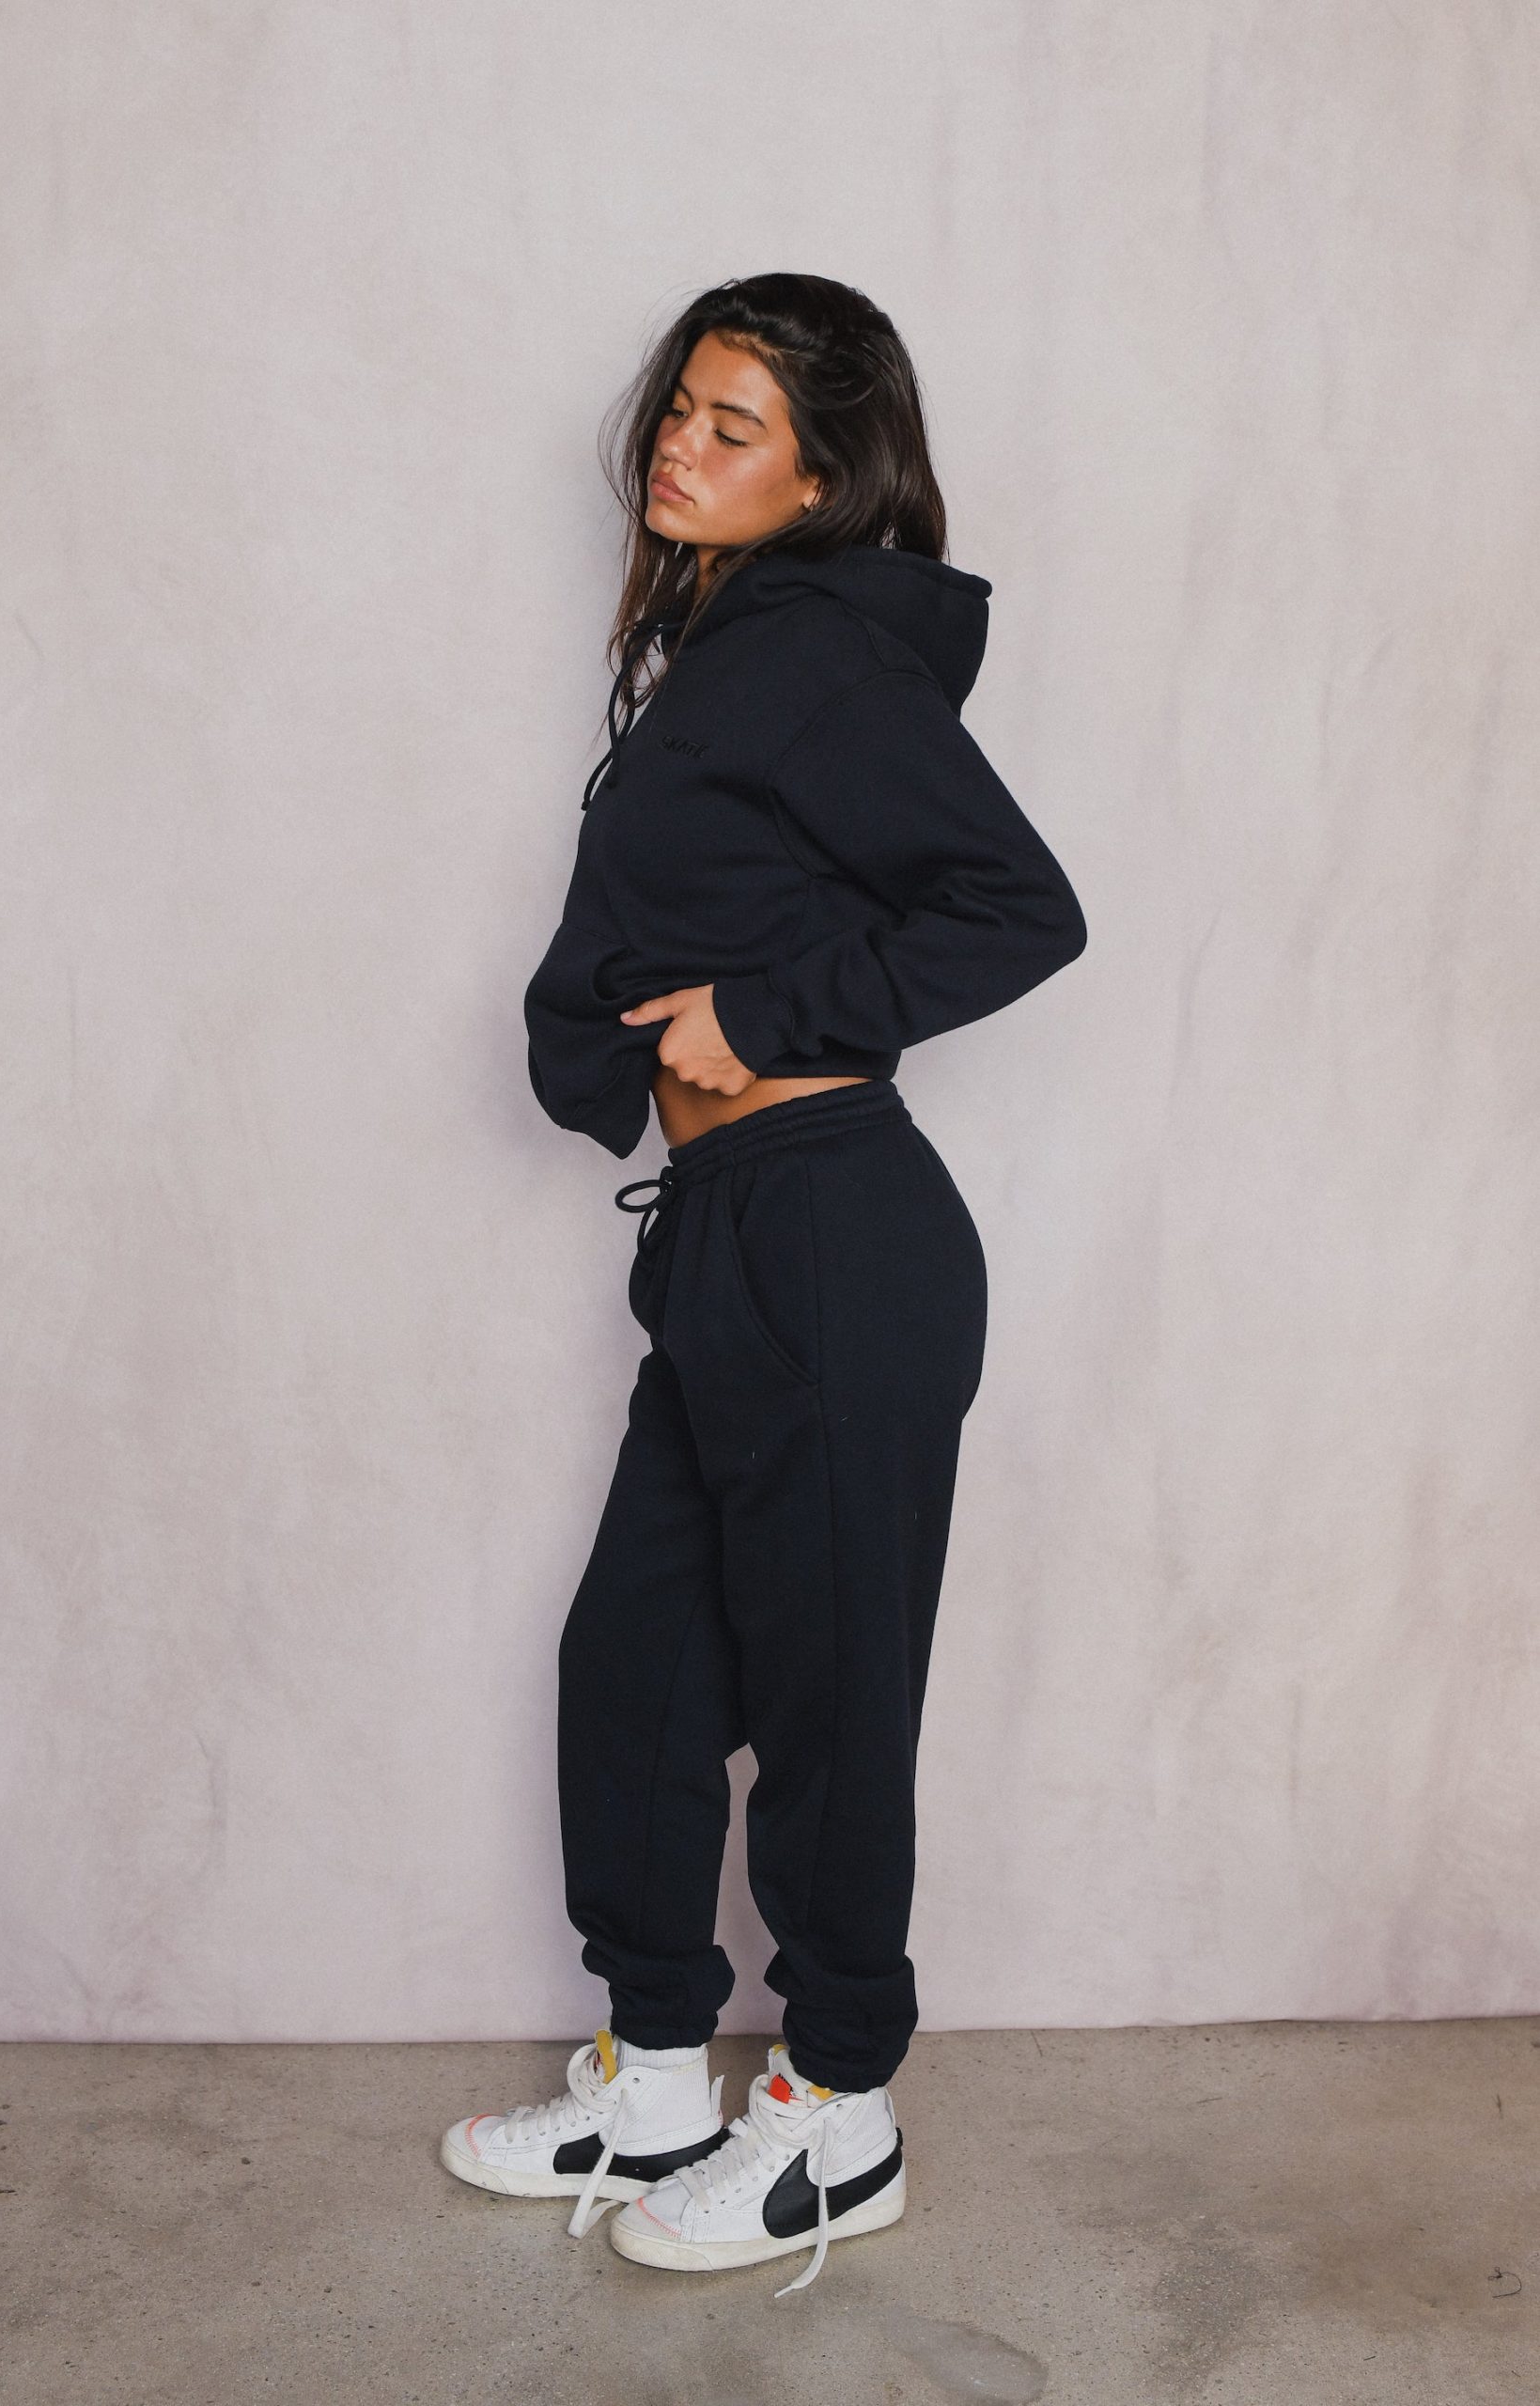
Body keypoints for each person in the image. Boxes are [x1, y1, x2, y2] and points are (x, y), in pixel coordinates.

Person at [440, 273, 1088, 2296]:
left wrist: (761, 1013)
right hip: (731, 1232)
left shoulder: (812, 657)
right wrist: (631, 1046)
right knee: (637, 1668)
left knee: (823, 1694)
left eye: (734, 427)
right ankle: (652, 2075)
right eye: (679, 409)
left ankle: (837, 2107)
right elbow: (639, 949)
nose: (680, 446)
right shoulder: (720, 660)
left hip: (833, 1230)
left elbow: (1019, 906)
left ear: (823, 480)